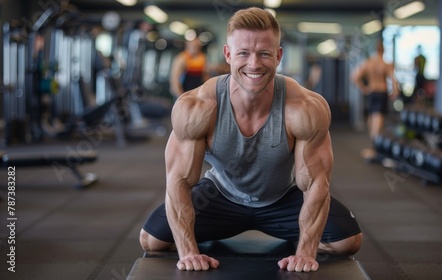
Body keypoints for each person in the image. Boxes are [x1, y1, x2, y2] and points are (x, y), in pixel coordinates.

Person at [140, 7, 362, 272]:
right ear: (228, 54)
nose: (254, 64)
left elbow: (315, 183)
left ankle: (297, 235)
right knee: (152, 241)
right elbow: (177, 181)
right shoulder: (197, 107)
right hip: (218, 196)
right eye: (243, 53)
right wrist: (189, 253)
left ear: (278, 56)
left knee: (348, 242)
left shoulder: (304, 107)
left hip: (279, 198)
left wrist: (305, 252)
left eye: (264, 53)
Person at [351, 40, 399, 159]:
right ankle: (375, 148)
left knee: (372, 119)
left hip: (372, 93)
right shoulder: (386, 64)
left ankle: (375, 147)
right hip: (381, 93)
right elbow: (393, 80)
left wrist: (363, 88)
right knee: (378, 120)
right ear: (383, 50)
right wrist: (395, 92)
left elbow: (354, 76)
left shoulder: (369, 63)